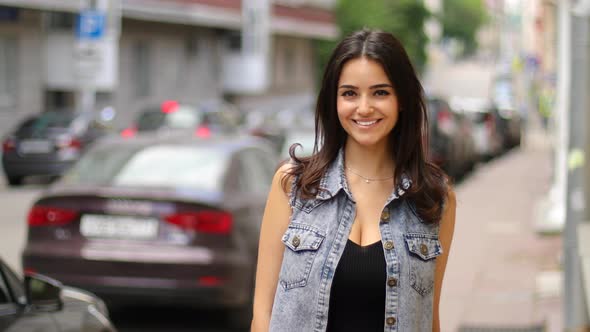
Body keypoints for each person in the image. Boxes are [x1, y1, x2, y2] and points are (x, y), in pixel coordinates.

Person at [251, 29, 456, 332]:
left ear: (402, 100)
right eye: (349, 93)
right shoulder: (293, 186)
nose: (363, 107)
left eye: (380, 92)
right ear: (333, 101)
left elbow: (429, 320)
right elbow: (262, 316)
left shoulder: (434, 199)